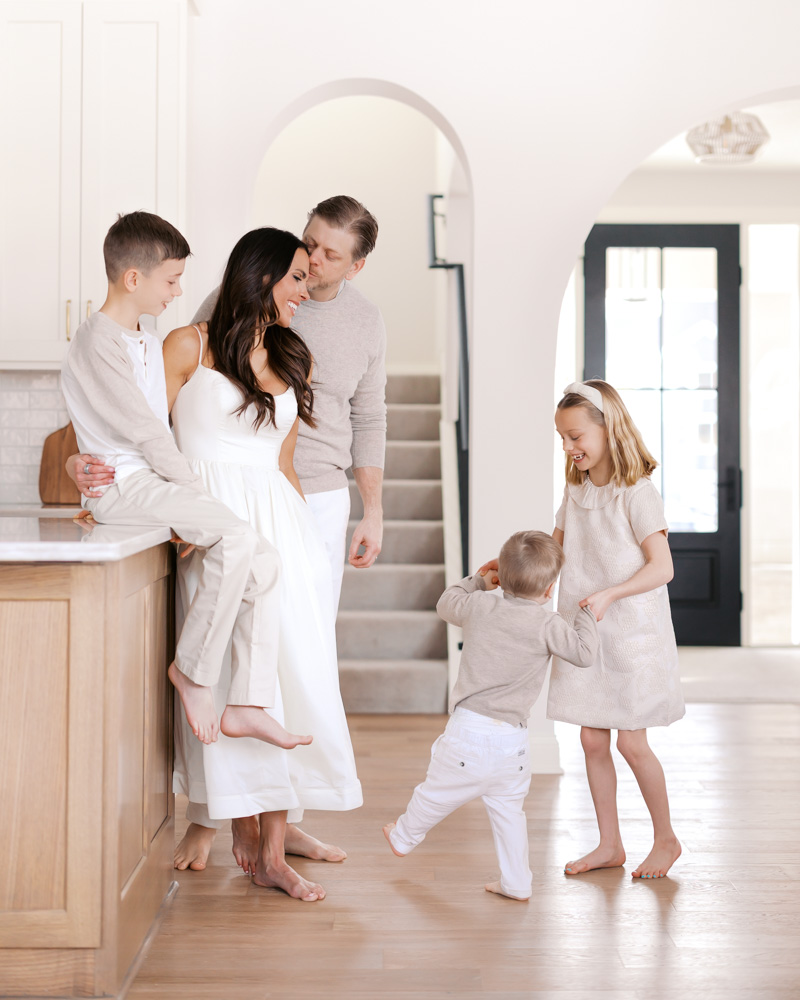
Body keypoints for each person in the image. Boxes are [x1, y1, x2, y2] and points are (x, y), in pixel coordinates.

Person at [61, 211, 305, 752]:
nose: (179, 291)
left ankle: (246, 701)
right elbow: (146, 434)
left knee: (264, 563)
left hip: (150, 483)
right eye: (171, 279)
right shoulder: (97, 340)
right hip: (129, 485)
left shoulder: (143, 339)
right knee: (238, 537)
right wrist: (196, 499)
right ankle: (194, 673)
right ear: (133, 279)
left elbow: (148, 422)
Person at [192, 195, 386, 609]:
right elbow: (190, 382)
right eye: (309, 243)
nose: (313, 260)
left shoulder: (367, 322)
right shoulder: (238, 294)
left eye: (331, 255)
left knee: (308, 625)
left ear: (355, 267)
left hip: (319, 496)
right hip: (240, 487)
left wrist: (373, 511)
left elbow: (369, 418)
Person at [383, 531, 598, 901]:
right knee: (509, 815)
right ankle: (517, 882)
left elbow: (446, 602)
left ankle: (404, 836)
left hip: (468, 733)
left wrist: (480, 581)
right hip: (513, 743)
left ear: (503, 577)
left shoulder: (481, 607)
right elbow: (584, 654)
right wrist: (586, 614)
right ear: (549, 591)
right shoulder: (549, 625)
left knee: (435, 793)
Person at [548, 379, 684, 879]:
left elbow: (662, 568)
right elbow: (556, 549)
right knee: (590, 739)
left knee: (631, 741)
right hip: (588, 632)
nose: (569, 447)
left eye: (577, 436)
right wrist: (515, 565)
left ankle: (666, 839)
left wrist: (610, 593)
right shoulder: (577, 490)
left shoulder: (638, 493)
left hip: (632, 635)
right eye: (562, 438)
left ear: (608, 428)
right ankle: (609, 843)